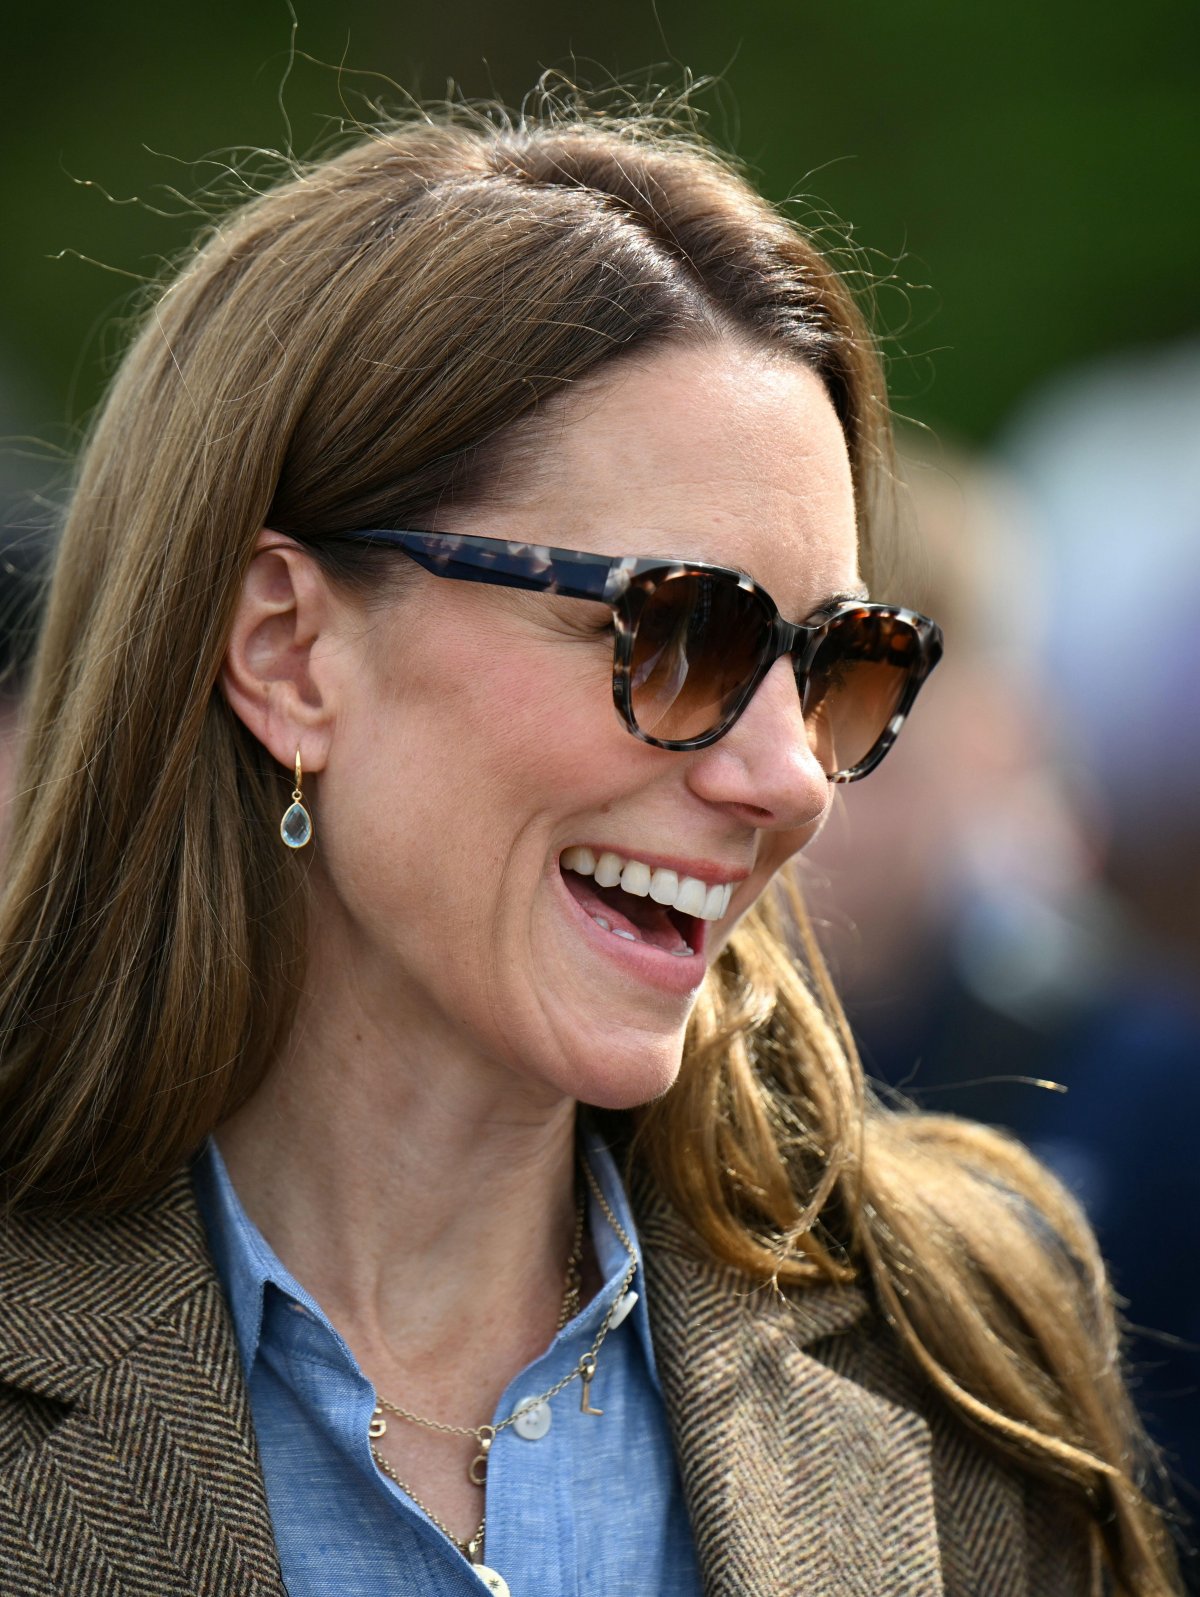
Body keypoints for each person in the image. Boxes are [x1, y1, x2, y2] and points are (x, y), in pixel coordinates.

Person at [0, 100, 1181, 1596]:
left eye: (838, 660)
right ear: (291, 650)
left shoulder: (962, 1339)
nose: (793, 780)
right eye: (681, 631)